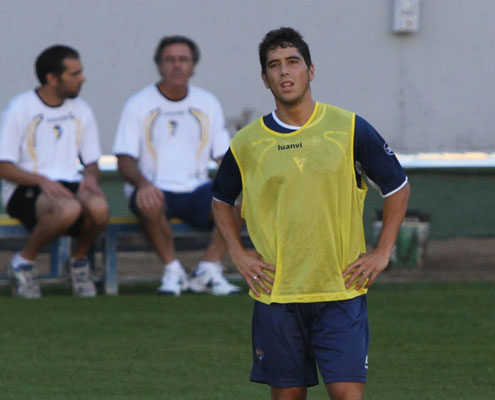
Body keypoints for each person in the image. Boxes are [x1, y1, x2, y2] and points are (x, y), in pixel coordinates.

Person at [212, 27, 411, 400]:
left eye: (293, 62)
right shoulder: (247, 143)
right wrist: (237, 254)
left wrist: (382, 251)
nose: (285, 72)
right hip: (278, 294)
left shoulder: (349, 128)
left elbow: (397, 187)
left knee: (347, 395)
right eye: (274, 66)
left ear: (311, 71)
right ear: (265, 78)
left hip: (341, 289)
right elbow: (221, 199)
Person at [113, 35, 240, 296]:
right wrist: (143, 185)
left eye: (184, 60)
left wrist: (237, 187)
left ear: (193, 67)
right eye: (169, 60)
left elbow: (222, 157)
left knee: (241, 204)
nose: (177, 66)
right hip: (155, 188)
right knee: (148, 201)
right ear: (159, 65)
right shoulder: (138, 104)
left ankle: (207, 268)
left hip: (197, 189)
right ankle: (173, 271)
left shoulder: (208, 103)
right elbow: (124, 158)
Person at [0, 45, 108, 298]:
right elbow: (4, 166)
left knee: (100, 207)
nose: (83, 79)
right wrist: (41, 180)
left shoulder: (82, 109)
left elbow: (92, 162)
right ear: (52, 78)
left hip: (68, 185)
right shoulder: (19, 108)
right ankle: (23, 263)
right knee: (69, 208)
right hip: (25, 188)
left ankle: (79, 262)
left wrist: (91, 177)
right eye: (75, 74)